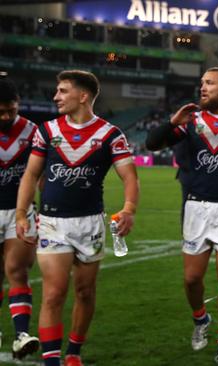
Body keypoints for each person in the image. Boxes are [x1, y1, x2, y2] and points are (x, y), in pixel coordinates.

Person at [16, 70, 139, 366]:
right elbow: (31, 174)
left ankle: (73, 352)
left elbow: (129, 176)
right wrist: (21, 213)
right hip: (53, 222)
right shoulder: (46, 131)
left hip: (90, 223)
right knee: (54, 293)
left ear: (82, 96)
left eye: (62, 91)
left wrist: (129, 208)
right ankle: (52, 361)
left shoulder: (110, 135)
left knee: (85, 292)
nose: (55, 96)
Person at [145, 67, 218, 366]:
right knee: (192, 279)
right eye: (202, 83)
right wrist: (171, 122)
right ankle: (201, 318)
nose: (203, 88)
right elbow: (152, 144)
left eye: (209, 83)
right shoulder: (192, 122)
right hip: (196, 207)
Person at [0, 77, 40, 359]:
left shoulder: (31, 131)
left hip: (20, 211)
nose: (6, 116)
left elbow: (39, 174)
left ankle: (21, 335)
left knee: (17, 270)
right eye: (0, 111)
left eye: (11, 110)